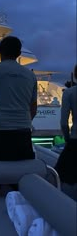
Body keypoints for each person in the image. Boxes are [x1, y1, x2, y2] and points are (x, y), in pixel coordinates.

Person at [55, 64, 77, 194]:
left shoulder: (69, 92)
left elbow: (64, 122)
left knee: (61, 175)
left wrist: (67, 137)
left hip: (75, 140)